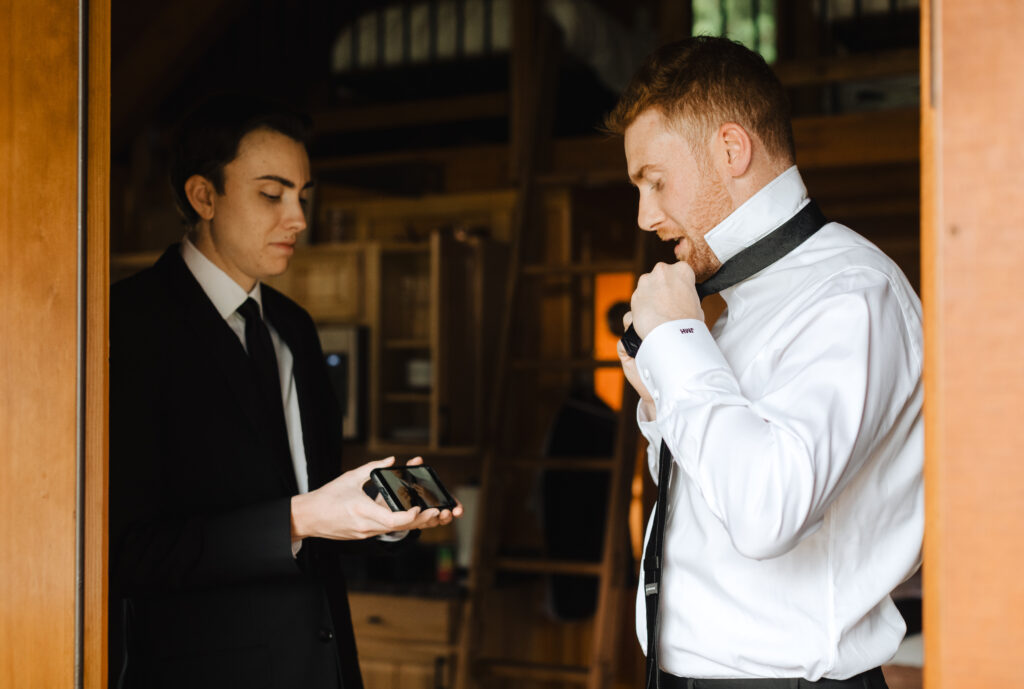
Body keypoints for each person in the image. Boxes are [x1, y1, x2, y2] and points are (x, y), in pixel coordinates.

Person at [109, 94, 462, 689]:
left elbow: (313, 505)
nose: (298, 218)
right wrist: (298, 519)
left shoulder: (294, 325)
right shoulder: (127, 325)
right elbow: (127, 551)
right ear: (204, 197)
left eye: (303, 195)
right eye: (272, 195)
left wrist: (377, 517)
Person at [605, 37, 923, 687]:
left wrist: (678, 346)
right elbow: (711, 502)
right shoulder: (739, 304)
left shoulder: (852, 294)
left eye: (656, 182)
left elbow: (765, 511)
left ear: (731, 150)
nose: (645, 216)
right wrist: (662, 396)